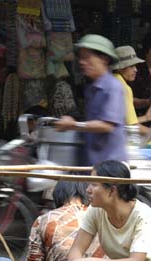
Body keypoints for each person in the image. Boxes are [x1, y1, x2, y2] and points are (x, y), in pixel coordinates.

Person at [111, 45, 151, 243]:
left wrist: (145, 117)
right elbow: (132, 128)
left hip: (115, 145)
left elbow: (127, 120)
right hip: (123, 148)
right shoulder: (123, 87)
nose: (135, 70)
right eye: (131, 66)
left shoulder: (114, 83)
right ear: (122, 67)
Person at [54, 35, 126, 166]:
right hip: (92, 162)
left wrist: (74, 125)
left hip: (109, 166)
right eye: (81, 58)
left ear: (103, 59)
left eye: (87, 58)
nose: (82, 62)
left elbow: (107, 125)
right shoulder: (92, 88)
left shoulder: (112, 86)